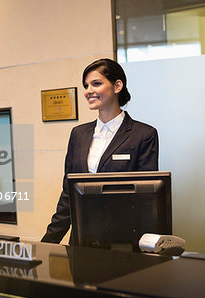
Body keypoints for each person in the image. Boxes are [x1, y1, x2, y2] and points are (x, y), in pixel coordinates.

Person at [41, 58, 159, 244]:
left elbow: (147, 198)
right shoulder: (78, 134)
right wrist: (48, 241)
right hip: (82, 239)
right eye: (86, 85)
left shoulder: (143, 134)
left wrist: (149, 245)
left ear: (117, 86)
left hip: (123, 241)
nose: (88, 91)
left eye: (96, 84)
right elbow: (68, 194)